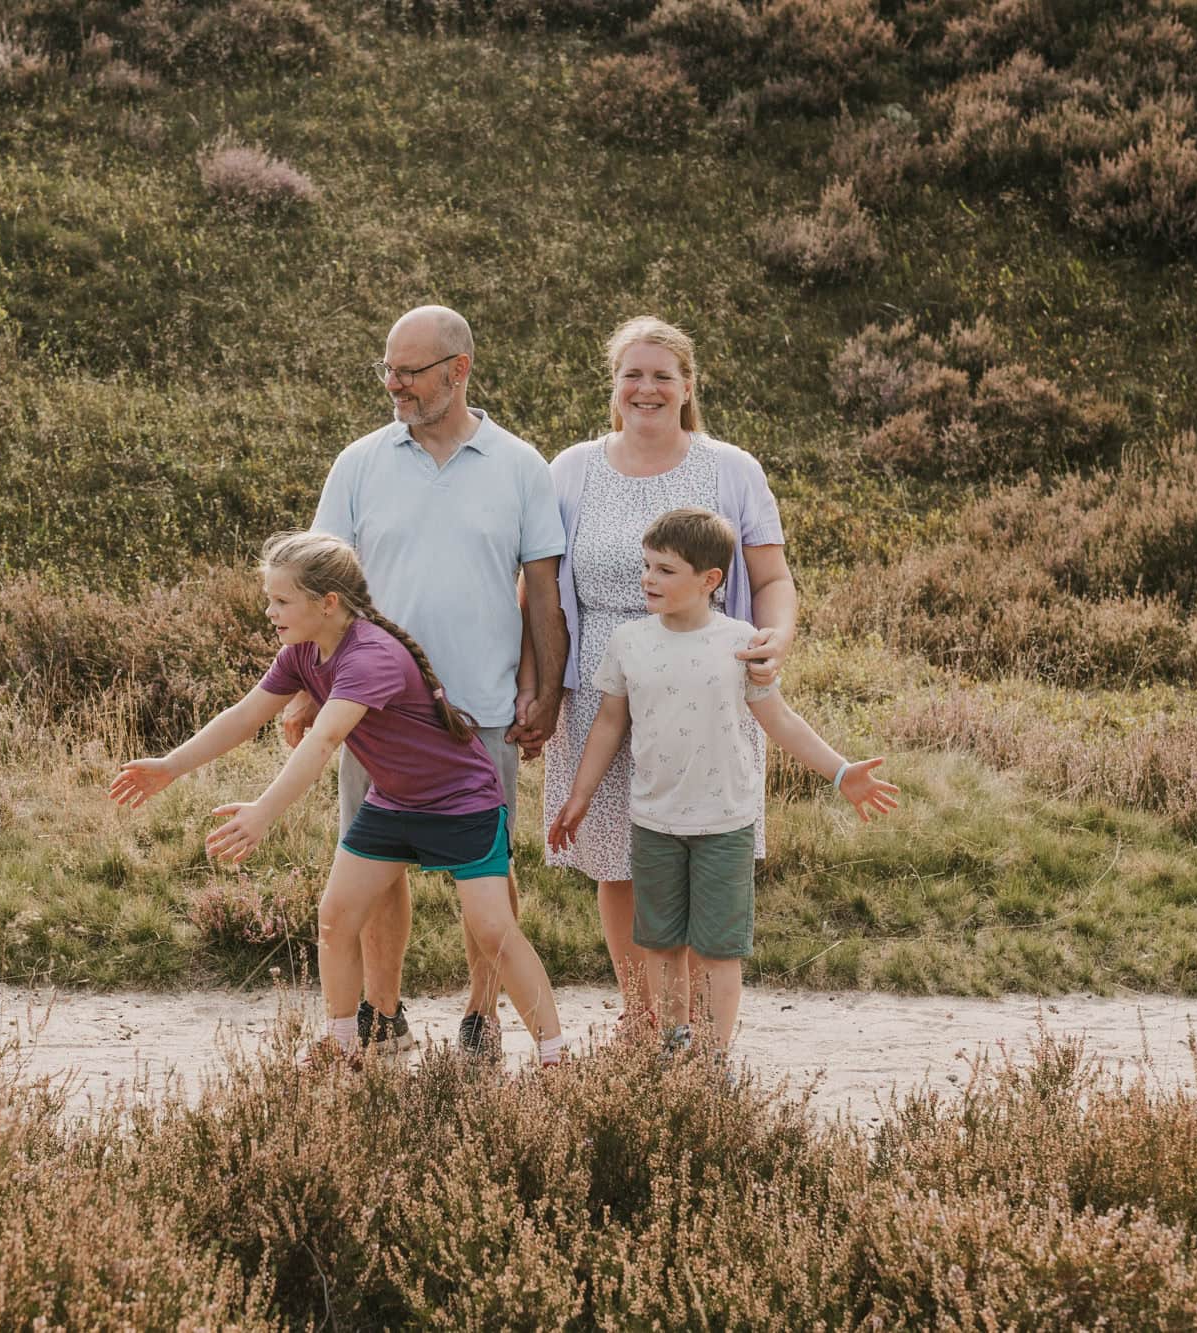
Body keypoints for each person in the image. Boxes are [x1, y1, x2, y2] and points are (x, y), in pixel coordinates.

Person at [112, 532, 567, 1067]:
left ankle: (556, 1057)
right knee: (335, 916)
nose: (268, 611)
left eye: (281, 601)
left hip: (460, 802)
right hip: (394, 802)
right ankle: (343, 1044)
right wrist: (171, 766)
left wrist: (263, 813)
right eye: (269, 598)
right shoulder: (302, 652)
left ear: (327, 603)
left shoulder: (370, 655)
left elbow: (325, 740)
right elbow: (244, 715)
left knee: (493, 930)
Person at [294, 305, 567, 1059]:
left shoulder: (520, 466)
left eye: (410, 371)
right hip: (372, 712)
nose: (395, 384)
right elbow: (320, 587)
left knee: (489, 874)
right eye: (387, 368)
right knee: (376, 869)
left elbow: (542, 589)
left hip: (483, 708)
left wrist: (548, 689)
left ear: (459, 369)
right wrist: (305, 689)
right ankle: (383, 1013)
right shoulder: (359, 462)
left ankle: (483, 1015)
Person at [548, 509, 898, 1057]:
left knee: (717, 951)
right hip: (653, 823)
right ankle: (671, 1043)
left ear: (710, 581)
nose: (648, 579)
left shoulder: (743, 643)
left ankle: (712, 1059)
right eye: (646, 566)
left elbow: (779, 719)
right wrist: (580, 795)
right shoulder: (629, 641)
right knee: (659, 945)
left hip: (725, 825)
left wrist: (839, 770)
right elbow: (610, 723)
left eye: (665, 570)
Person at [542, 316, 797, 1029]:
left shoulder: (731, 469)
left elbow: (773, 575)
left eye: (662, 374)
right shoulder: (570, 469)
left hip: (708, 690)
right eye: (632, 373)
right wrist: (537, 688)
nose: (646, 387)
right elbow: (537, 590)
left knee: (692, 848)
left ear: (687, 385)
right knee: (621, 860)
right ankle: (642, 1016)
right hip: (603, 688)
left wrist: (776, 638)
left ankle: (691, 1025)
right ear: (613, 384)